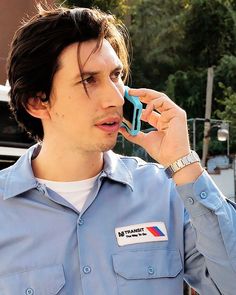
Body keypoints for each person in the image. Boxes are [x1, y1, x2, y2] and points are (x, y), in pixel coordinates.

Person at [0, 4, 236, 295]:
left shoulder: (166, 194)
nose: (115, 97)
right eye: (89, 80)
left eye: (116, 76)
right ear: (38, 102)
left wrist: (184, 162)